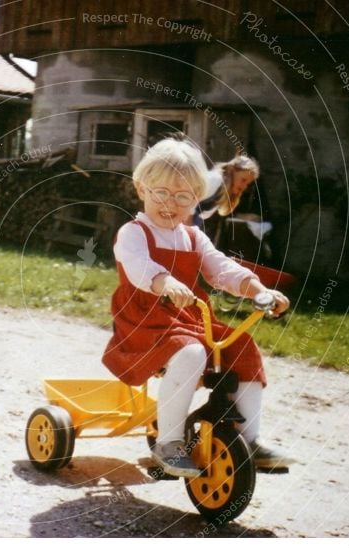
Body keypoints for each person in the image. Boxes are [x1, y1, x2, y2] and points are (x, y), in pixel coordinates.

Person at [102, 137, 293, 477]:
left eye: (183, 196)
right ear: (141, 188)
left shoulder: (192, 236)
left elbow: (221, 269)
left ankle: (248, 439)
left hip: (188, 317)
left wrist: (259, 290)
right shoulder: (133, 233)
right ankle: (170, 442)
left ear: (196, 200)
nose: (170, 203)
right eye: (161, 192)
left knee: (243, 346)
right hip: (145, 319)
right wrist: (166, 283)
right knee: (191, 354)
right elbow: (138, 267)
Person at [191, 154, 260, 231]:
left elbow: (201, 217)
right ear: (231, 170)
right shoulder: (215, 179)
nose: (244, 187)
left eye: (247, 184)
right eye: (243, 180)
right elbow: (189, 202)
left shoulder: (222, 192)